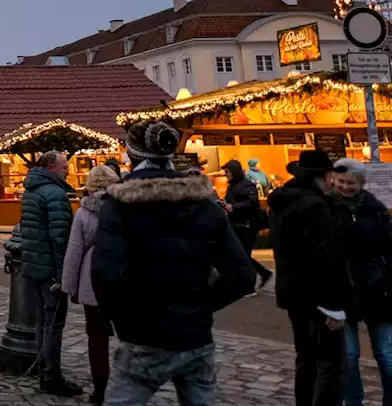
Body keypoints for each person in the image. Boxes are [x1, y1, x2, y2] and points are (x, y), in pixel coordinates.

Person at [94, 121, 256, 406]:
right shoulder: (204, 202)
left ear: (132, 156)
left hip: (143, 333)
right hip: (195, 334)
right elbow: (243, 274)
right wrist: (201, 305)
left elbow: (105, 273)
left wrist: (125, 320)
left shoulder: (120, 204)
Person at [270, 149, 353, 406]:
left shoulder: (283, 201)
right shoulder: (314, 205)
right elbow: (323, 259)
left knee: (305, 358)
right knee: (330, 363)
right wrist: (334, 307)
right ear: (326, 175)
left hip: (294, 293)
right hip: (317, 298)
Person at [331, 158, 392, 406]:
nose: (346, 187)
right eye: (341, 181)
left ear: (361, 183)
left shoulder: (374, 208)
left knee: (387, 355)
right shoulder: (326, 208)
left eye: (351, 183)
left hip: (377, 287)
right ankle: (354, 401)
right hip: (341, 290)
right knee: (350, 356)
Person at [19, 151, 80, 396]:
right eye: (64, 167)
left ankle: (45, 369)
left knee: (42, 321)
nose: (68, 170)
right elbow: (59, 237)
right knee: (53, 323)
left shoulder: (32, 191)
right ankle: (51, 375)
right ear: (52, 167)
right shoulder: (54, 194)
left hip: (34, 265)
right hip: (49, 270)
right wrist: (61, 273)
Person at [60, 164, 119, 404]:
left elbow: (74, 251)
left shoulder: (83, 213)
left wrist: (69, 287)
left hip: (92, 281)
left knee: (96, 338)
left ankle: (100, 388)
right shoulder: (126, 210)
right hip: (121, 281)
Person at [220, 159, 273, 290]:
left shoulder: (247, 185)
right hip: (236, 224)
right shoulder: (232, 186)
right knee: (241, 255)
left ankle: (251, 283)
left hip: (246, 225)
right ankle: (261, 274)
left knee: (242, 255)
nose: (226, 174)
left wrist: (234, 207)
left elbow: (253, 203)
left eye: (227, 172)